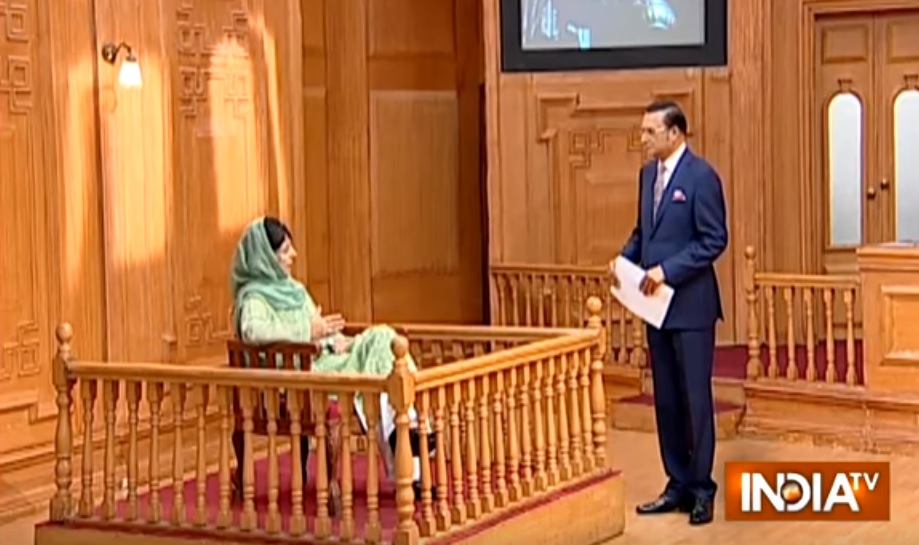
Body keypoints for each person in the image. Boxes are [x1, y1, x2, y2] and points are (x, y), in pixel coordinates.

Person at [230, 216, 430, 491]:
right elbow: (254, 332)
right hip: (301, 378)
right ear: (265, 259)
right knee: (380, 375)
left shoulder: (295, 290)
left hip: (326, 358)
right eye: (286, 251)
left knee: (383, 343)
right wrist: (308, 330)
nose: (294, 255)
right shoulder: (253, 299)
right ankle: (407, 449)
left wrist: (334, 338)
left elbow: (318, 327)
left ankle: (408, 438)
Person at [609, 100, 727, 525]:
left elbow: (714, 239)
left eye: (650, 132)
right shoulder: (647, 176)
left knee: (695, 401)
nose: (642, 139)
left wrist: (667, 271)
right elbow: (644, 232)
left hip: (691, 308)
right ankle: (676, 484)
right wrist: (624, 260)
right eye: (642, 131)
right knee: (667, 401)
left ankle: (701, 489)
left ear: (674, 133)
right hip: (654, 310)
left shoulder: (701, 176)